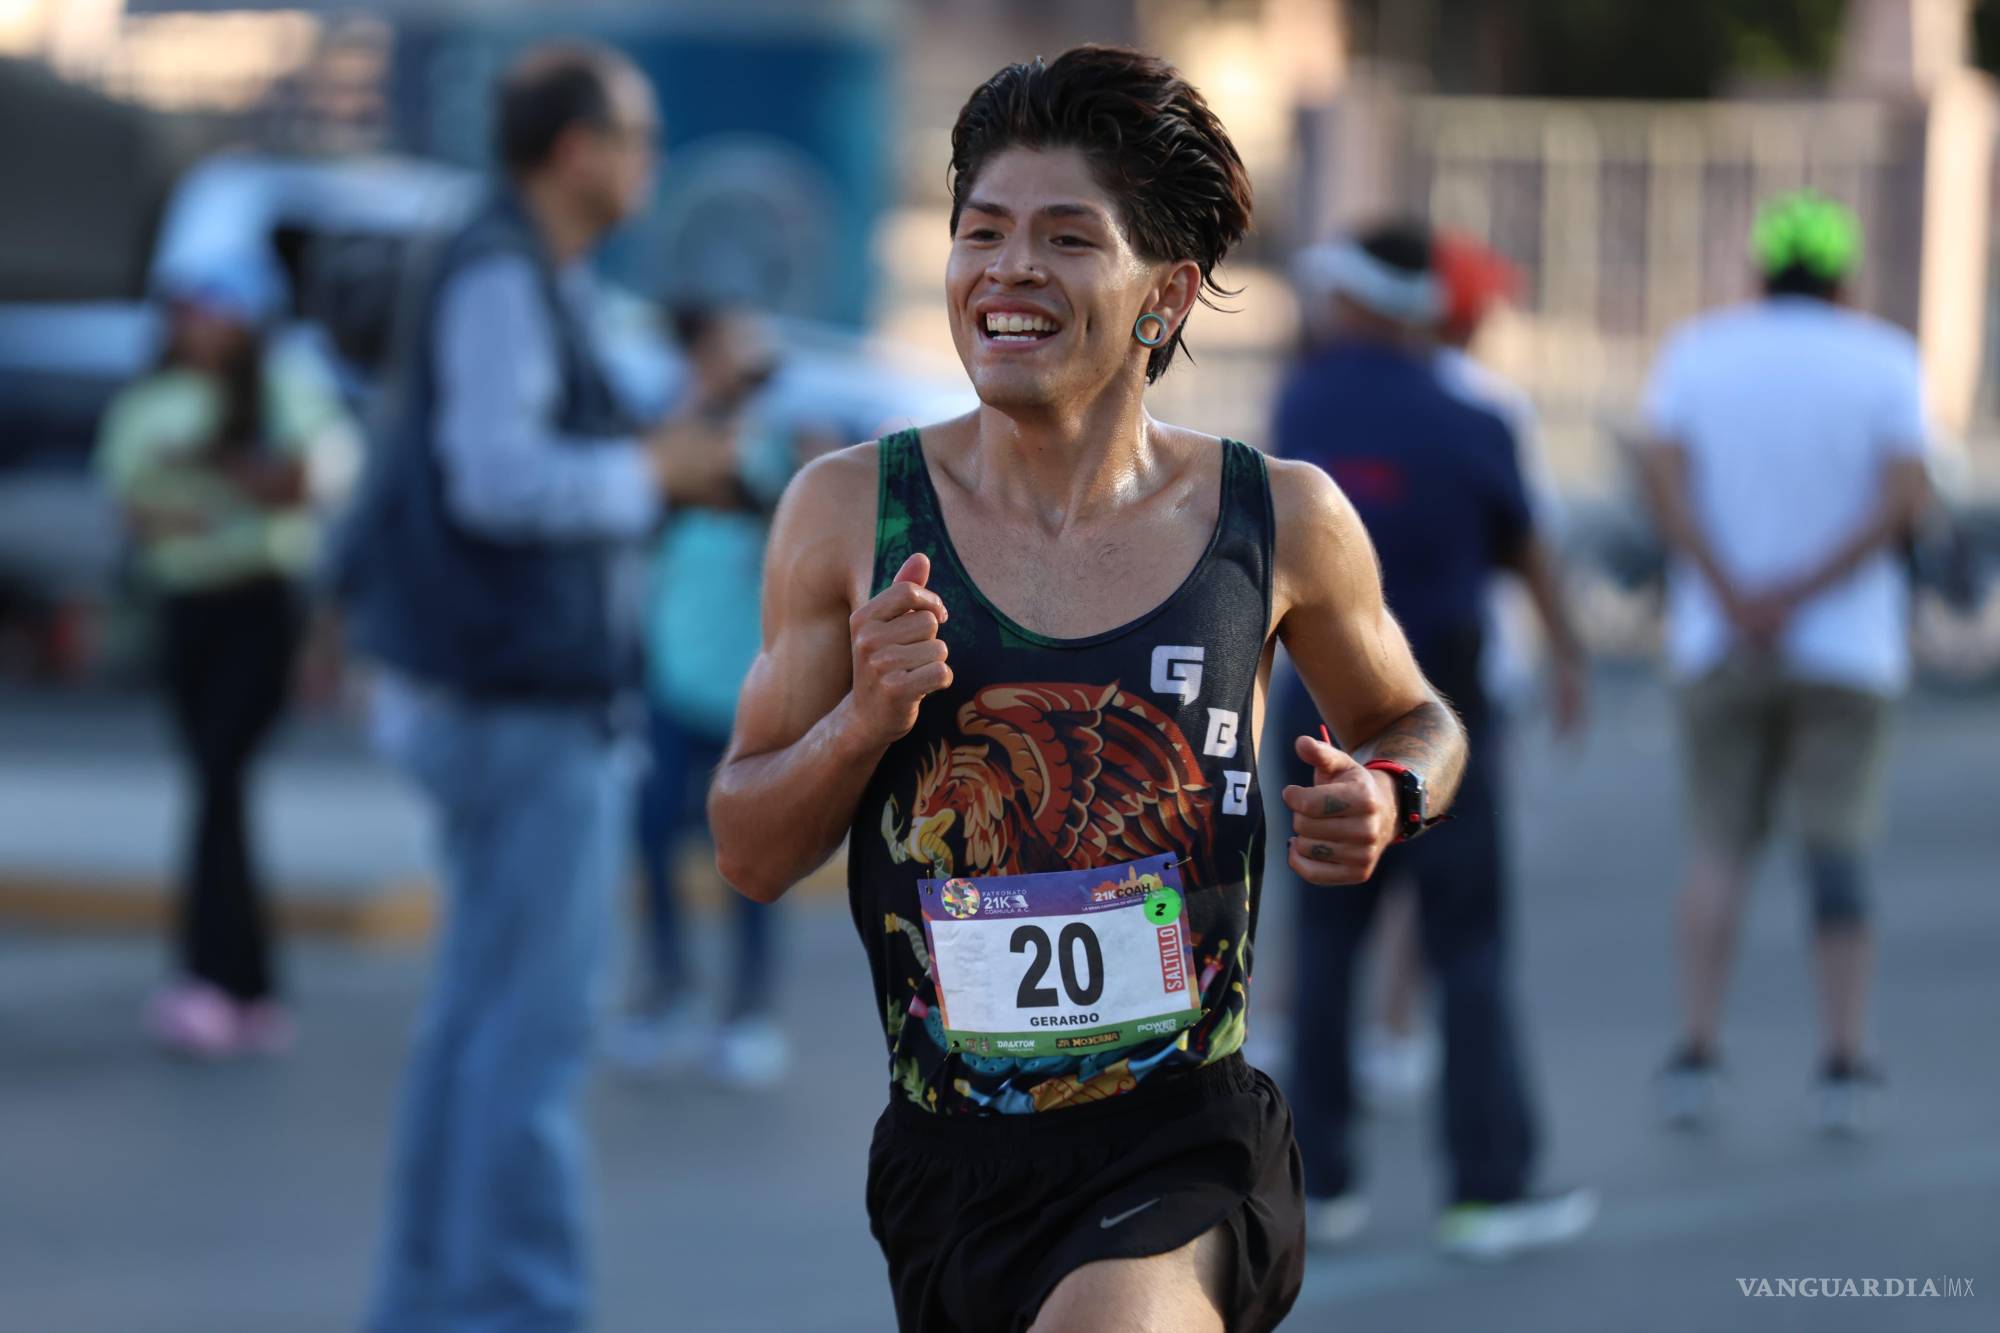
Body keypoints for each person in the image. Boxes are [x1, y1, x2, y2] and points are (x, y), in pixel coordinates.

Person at [708, 46, 1470, 1332]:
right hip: (948, 1166)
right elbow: (746, 850)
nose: (1007, 269)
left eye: (1065, 238)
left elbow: (1416, 719)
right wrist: (861, 722)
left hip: (1183, 1142)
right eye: (980, 232)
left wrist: (1392, 794)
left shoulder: (1277, 518)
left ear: (1162, 296)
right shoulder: (847, 514)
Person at [339, 42, 738, 1331]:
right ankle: (515, 1307)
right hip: (515, 706)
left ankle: (428, 1301)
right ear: (576, 151)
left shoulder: (526, 270)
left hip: (500, 696)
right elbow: (498, 477)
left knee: (478, 1027)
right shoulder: (503, 272)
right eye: (637, 139)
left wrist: (678, 427)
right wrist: (652, 474)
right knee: (530, 1036)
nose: (648, 164)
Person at [1272, 222, 1595, 1259]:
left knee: (1326, 946)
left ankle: (1317, 1182)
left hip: (1317, 703)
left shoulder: (1303, 403)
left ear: (1358, 299)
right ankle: (1486, 1190)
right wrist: (1568, 655)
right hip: (1438, 712)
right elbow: (1526, 549)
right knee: (1468, 947)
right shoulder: (1472, 417)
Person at [1638, 190, 1931, 1136]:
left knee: (1719, 847)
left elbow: (1662, 482)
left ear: (1762, 270)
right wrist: (1802, 592)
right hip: (1847, 649)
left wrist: (1734, 590)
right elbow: (1907, 497)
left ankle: (1697, 1050)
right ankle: (1844, 1060)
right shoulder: (1886, 359)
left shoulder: (1698, 352)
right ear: (1844, 276)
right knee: (1837, 850)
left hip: (1719, 638)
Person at [95, 261, 360, 1059]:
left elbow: (311, 480)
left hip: (260, 602)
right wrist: (223, 490)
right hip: (188, 606)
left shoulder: (281, 391)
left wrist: (222, 476)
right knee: (215, 786)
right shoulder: (148, 401)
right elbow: (136, 507)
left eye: (211, 311)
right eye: (185, 312)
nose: (197, 327)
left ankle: (216, 977)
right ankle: (241, 982)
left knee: (219, 779)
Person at [608, 305, 792, 1087]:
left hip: (748, 691)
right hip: (668, 684)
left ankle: (748, 1011)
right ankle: (669, 991)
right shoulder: (670, 439)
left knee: (750, 857)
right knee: (653, 840)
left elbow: (762, 502)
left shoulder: (772, 447)